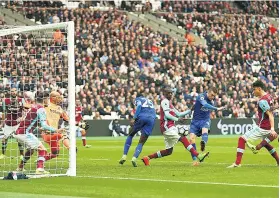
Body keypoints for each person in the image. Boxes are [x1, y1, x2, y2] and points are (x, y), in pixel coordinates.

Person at [142, 87, 209, 166]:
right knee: (183, 138)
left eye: (171, 93)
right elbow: (167, 115)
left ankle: (147, 158)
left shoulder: (169, 103)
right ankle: (198, 155)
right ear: (164, 94)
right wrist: (177, 119)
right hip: (167, 127)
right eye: (168, 93)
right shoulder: (164, 101)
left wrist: (190, 110)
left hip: (170, 127)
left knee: (168, 151)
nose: (170, 94)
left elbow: (179, 113)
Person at [227, 80, 278, 168]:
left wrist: (273, 129)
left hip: (262, 127)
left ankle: (237, 163)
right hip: (268, 127)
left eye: (254, 89)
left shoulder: (262, 101)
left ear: (259, 89)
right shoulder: (269, 96)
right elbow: (270, 110)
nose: (253, 91)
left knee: (242, 139)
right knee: (266, 145)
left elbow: (270, 115)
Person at [14, 92, 64, 174]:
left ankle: (20, 167)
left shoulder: (32, 106)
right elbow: (44, 125)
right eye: (48, 99)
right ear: (45, 99)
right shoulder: (41, 109)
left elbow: (30, 121)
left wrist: (39, 128)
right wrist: (56, 130)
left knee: (31, 149)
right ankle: (40, 168)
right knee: (42, 149)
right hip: (24, 133)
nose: (49, 101)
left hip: (18, 132)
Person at [189, 87, 225, 166]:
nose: (213, 97)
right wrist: (217, 108)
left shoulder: (211, 101)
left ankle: (203, 143)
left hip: (205, 120)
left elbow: (206, 108)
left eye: (214, 96)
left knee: (205, 130)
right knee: (191, 139)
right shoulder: (201, 96)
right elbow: (204, 104)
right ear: (208, 92)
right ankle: (195, 160)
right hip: (195, 121)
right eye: (212, 95)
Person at [119, 93, 156, 167]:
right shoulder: (150, 101)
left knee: (131, 134)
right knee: (142, 142)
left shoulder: (138, 99)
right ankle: (134, 158)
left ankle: (124, 156)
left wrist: (134, 117)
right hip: (151, 119)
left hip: (142, 117)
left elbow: (139, 105)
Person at [0, 88, 25, 159]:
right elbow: (4, 112)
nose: (13, 92)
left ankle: (22, 155)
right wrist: (2, 122)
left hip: (17, 123)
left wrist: (22, 118)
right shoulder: (5, 100)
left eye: (15, 91)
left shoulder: (21, 100)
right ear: (10, 92)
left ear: (17, 91)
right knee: (5, 139)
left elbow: (25, 110)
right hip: (8, 123)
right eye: (12, 91)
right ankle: (3, 154)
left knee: (19, 139)